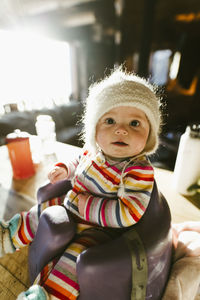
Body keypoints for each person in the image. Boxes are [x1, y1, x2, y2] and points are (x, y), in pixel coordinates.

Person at [0, 67, 165, 299]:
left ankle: (48, 295)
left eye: (135, 123)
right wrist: (66, 169)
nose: (121, 129)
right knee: (37, 214)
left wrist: (84, 206)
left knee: (74, 259)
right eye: (109, 120)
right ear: (95, 129)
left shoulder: (136, 169)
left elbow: (129, 213)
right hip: (72, 204)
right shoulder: (94, 150)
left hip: (101, 229)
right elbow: (79, 160)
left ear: (149, 136)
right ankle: (7, 237)